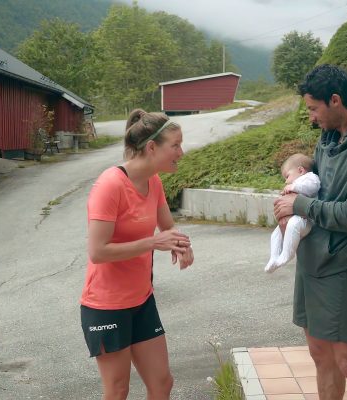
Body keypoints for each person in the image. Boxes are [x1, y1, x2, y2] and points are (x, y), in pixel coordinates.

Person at [273, 64, 347, 400]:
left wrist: (299, 206)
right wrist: (289, 210)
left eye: (314, 109)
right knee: (319, 355)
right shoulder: (327, 140)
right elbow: (314, 192)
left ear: (336, 100)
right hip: (310, 263)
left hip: (341, 267)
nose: (311, 118)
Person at [80, 109, 194, 400]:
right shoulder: (110, 185)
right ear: (152, 147)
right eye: (175, 145)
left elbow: (167, 227)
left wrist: (182, 246)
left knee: (162, 383)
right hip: (106, 305)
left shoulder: (153, 180)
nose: (181, 152)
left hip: (141, 299)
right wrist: (152, 243)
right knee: (117, 390)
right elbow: (97, 251)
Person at [265, 153, 320, 273]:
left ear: (300, 170)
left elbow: (313, 187)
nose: (286, 181)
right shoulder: (295, 183)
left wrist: (295, 187)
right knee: (276, 234)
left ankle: (287, 255)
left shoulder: (310, 178)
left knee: (294, 224)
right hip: (296, 215)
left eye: (287, 176)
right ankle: (274, 257)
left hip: (307, 220)